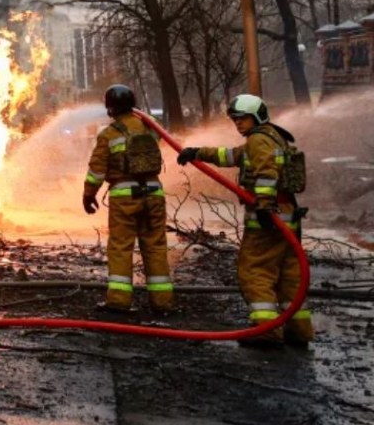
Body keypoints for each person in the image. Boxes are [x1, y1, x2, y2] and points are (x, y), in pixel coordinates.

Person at [177, 94, 313, 348]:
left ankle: (266, 331)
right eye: (235, 119)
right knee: (289, 275)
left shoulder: (259, 140)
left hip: (269, 217)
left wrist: (263, 205)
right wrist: (197, 153)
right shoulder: (271, 137)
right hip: (287, 215)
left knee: (256, 271)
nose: (238, 124)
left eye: (242, 119)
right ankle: (299, 330)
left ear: (257, 117)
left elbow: (266, 173)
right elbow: (230, 155)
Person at [83, 84, 173, 313]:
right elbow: (160, 137)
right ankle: (162, 303)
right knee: (155, 247)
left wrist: (88, 195)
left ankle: (119, 302)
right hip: (154, 195)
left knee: (121, 248)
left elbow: (96, 171)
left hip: (124, 199)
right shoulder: (149, 128)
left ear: (109, 108)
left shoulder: (109, 135)